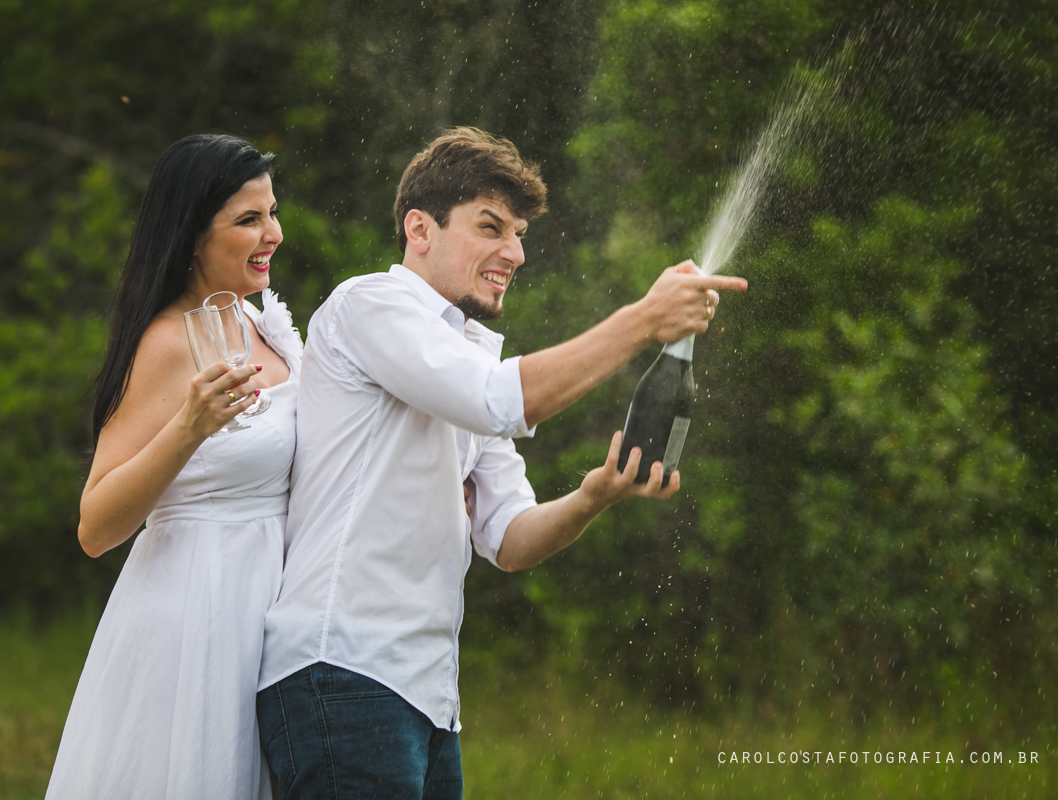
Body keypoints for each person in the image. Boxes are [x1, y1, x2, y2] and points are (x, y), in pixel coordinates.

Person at [255, 127, 747, 798]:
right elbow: (495, 401)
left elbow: (510, 540)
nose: (513, 252)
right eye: (491, 227)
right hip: (341, 672)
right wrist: (643, 320)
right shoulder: (370, 305)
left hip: (426, 696)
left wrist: (592, 495)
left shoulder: (469, 352)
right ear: (419, 228)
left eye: (519, 234)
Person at [46, 133, 301, 800]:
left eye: (272, 212)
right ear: (192, 233)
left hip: (276, 613)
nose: (271, 233)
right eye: (248, 219)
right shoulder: (163, 343)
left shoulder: (265, 321)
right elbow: (96, 526)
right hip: (199, 618)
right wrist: (187, 428)